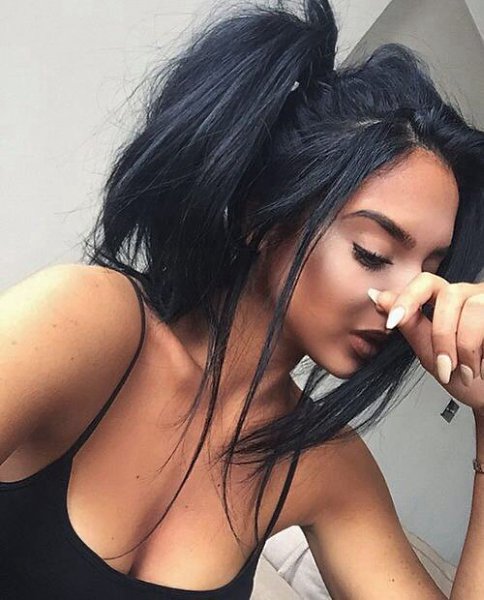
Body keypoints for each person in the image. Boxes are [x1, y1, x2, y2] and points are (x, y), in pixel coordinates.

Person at [1, 1, 483, 598]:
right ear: (262, 216)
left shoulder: (323, 464)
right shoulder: (90, 320)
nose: (404, 304)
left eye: (430, 274)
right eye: (372, 252)